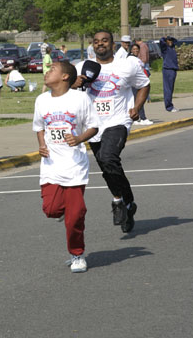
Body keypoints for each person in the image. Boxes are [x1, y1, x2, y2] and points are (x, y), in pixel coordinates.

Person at [75, 30, 150, 233]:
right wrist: (74, 85)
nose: (100, 44)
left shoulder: (128, 64)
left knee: (109, 158)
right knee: (108, 168)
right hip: (93, 126)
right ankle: (128, 204)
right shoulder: (82, 67)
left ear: (113, 44)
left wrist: (137, 107)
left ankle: (117, 201)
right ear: (93, 45)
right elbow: (63, 91)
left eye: (105, 41)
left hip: (118, 120)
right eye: (97, 42)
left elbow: (144, 85)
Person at [33, 60, 99, 273]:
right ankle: (68, 211)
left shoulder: (80, 98)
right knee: (51, 209)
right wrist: (42, 145)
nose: (47, 71)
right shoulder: (41, 100)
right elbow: (39, 126)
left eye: (52, 69)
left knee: (75, 216)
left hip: (74, 165)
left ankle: (77, 254)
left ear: (65, 77)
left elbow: (93, 126)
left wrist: (79, 138)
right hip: (51, 164)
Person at [129, 44, 153, 126]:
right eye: (134, 49)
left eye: (137, 49)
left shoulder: (136, 59)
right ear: (131, 50)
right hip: (135, 83)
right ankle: (141, 118)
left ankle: (139, 118)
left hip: (140, 83)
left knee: (138, 101)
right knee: (138, 101)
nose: (136, 50)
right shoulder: (130, 59)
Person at [160, 36, 179, 112]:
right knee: (168, 89)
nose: (170, 42)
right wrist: (164, 38)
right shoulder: (165, 49)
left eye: (171, 40)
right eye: (168, 41)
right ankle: (169, 107)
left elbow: (176, 40)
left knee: (171, 88)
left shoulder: (172, 48)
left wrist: (171, 38)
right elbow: (161, 42)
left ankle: (170, 104)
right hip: (168, 69)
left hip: (173, 69)